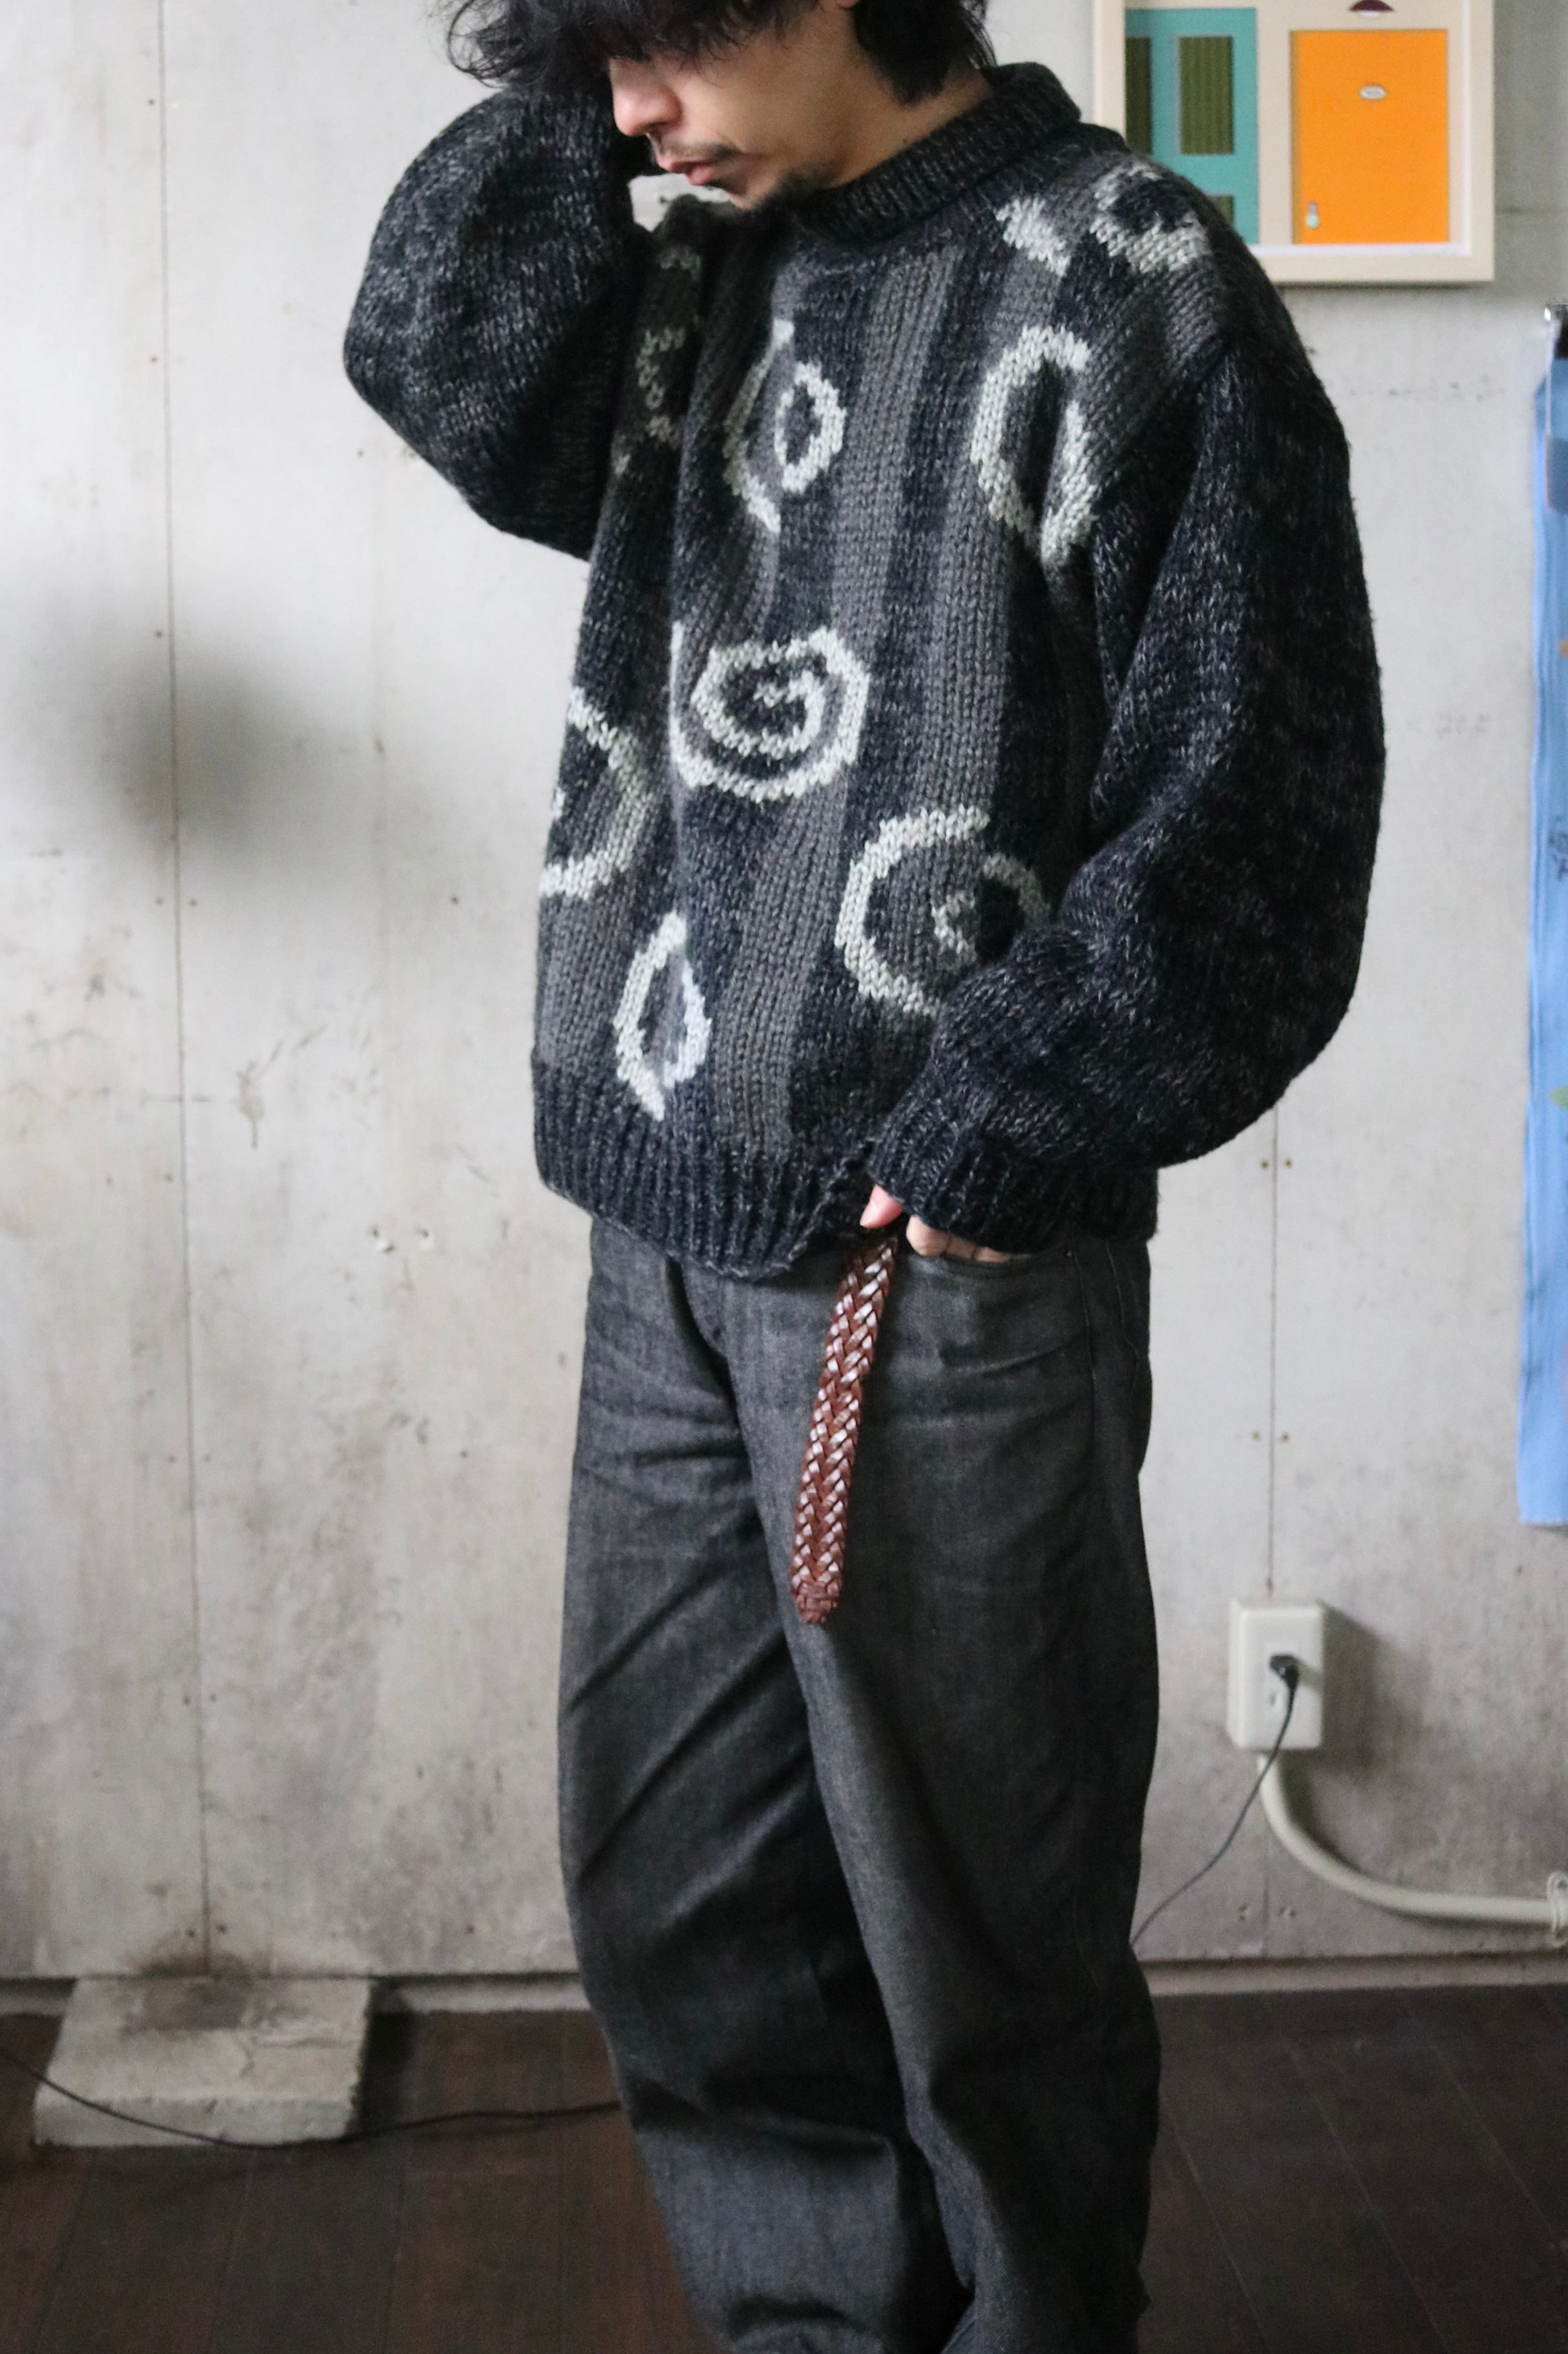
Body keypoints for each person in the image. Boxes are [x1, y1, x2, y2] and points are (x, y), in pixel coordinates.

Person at [345, 0, 1382, 2342]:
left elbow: (1266, 798)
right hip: (664, 1213)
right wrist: (587, 80)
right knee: (686, 1912)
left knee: (981, 1961)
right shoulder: (698, 268)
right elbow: (434, 352)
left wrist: (1022, 1113)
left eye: (654, 37)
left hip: (947, 1266)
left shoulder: (1128, 281)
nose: (628, 107)